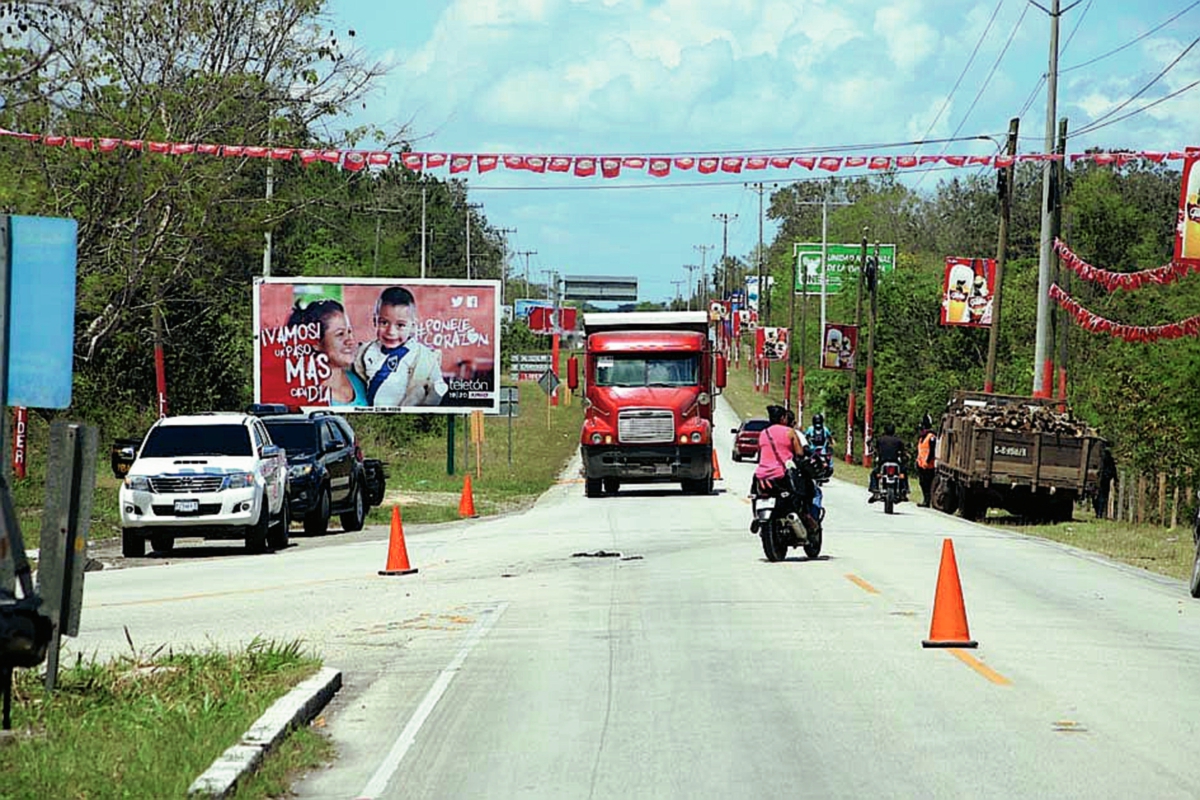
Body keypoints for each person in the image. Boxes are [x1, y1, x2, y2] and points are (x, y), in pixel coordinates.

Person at [353, 286, 447, 407]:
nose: (391, 331)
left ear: (413, 326)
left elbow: (438, 387)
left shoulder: (424, 357)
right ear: (375, 321)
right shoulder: (365, 352)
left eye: (400, 325)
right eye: (384, 323)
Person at [286, 299, 368, 407]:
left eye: (349, 332)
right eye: (340, 334)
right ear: (315, 341)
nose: (350, 341)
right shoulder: (304, 395)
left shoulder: (360, 380)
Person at [869, 421, 910, 502]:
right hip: (895, 462)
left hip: (882, 463)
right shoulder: (898, 441)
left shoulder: (880, 440)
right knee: (903, 473)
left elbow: (876, 450)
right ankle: (904, 491)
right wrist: (906, 456)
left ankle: (875, 490)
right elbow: (903, 452)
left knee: (874, 474)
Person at [915, 413, 937, 507]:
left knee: (928, 484)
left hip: (929, 466)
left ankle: (928, 501)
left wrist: (927, 462)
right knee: (922, 483)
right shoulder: (921, 438)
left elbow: (932, 452)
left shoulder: (932, 437)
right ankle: (926, 500)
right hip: (921, 465)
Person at [1094, 445, 1117, 519]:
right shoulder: (1109, 459)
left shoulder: (1099, 458)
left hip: (1099, 479)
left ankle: (1098, 513)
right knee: (1102, 497)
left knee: (1097, 497)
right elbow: (1113, 470)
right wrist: (1115, 478)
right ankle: (1100, 513)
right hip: (1105, 479)